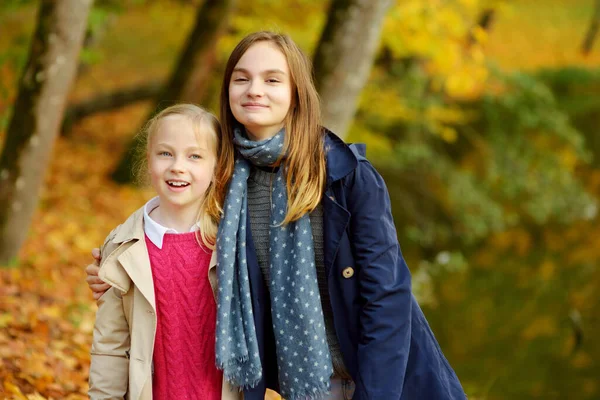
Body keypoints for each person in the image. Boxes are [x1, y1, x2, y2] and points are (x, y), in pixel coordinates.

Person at [87, 31, 467, 400]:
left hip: (385, 379)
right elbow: (175, 231)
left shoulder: (345, 175)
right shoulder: (227, 180)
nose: (255, 89)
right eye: (242, 78)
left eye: (272, 79)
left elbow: (389, 295)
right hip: (307, 387)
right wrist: (119, 266)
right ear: (228, 90)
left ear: (296, 93)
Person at [88, 104, 240, 400]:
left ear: (217, 167)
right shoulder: (123, 247)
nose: (177, 166)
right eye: (165, 153)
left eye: (195, 156)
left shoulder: (233, 242)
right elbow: (110, 345)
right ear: (149, 161)